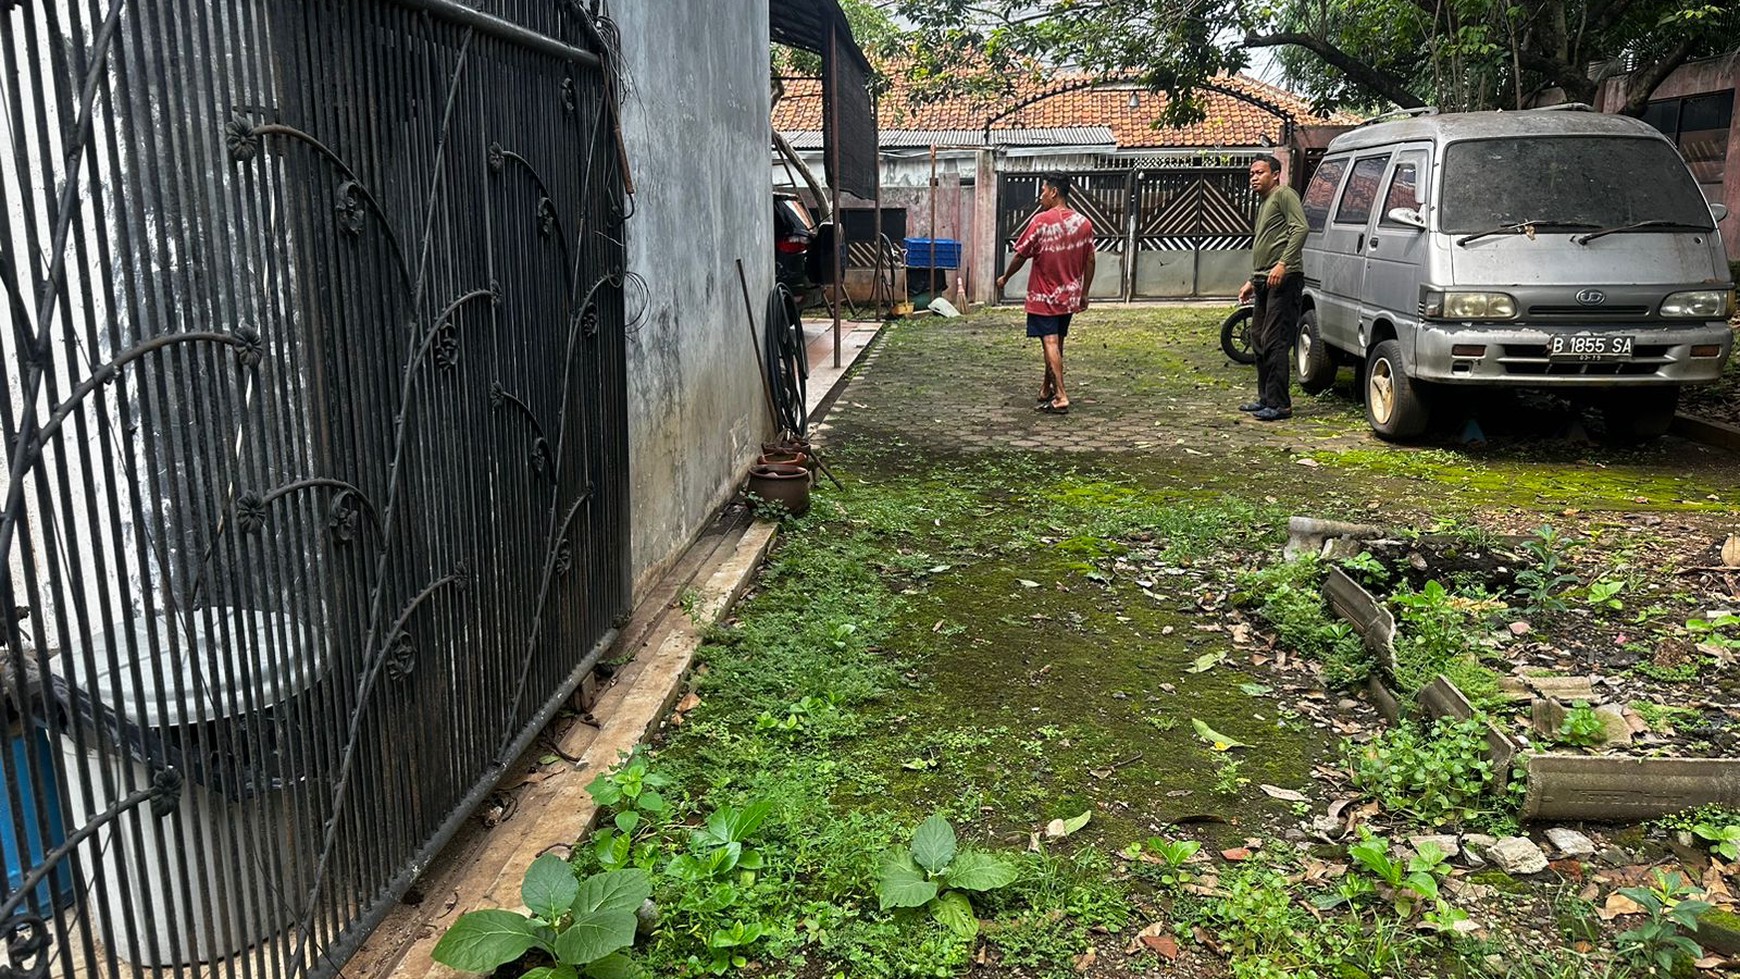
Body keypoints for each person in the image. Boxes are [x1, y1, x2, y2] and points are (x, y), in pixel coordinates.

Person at [996, 173, 1095, 414]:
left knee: (1049, 343)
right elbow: (1090, 259)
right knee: (1056, 343)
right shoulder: (1084, 223)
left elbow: (1020, 254)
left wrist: (1005, 277)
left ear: (1053, 192)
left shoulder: (1041, 222)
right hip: (1069, 296)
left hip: (1044, 295)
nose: (1040, 196)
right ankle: (1046, 387)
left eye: (1043, 191)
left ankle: (1061, 395)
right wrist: (1084, 292)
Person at [1237, 154, 1308, 422]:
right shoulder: (1265, 203)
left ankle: (1280, 405)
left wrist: (1283, 264)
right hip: (1264, 280)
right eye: (1251, 173)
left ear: (1276, 174)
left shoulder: (1284, 195)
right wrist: (1251, 280)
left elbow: (1300, 229)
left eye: (1260, 172)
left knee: (1275, 341)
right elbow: (1266, 244)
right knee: (1258, 339)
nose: (1254, 177)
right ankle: (1266, 398)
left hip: (1284, 279)